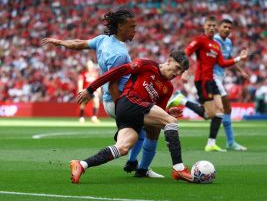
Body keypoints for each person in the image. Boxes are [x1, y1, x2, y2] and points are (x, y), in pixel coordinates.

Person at [41, 10, 162, 178]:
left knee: (144, 129)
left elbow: (78, 43)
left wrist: (60, 42)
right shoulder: (118, 54)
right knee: (151, 129)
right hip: (119, 99)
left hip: (114, 100)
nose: (135, 30)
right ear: (120, 26)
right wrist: (123, 112)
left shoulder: (103, 40)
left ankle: (136, 166)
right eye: (131, 26)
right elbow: (113, 84)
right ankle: (140, 168)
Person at [70, 50, 192, 184]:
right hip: (129, 102)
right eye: (177, 68)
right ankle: (178, 168)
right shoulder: (146, 65)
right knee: (171, 122)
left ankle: (81, 164)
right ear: (169, 60)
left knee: (122, 148)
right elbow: (116, 72)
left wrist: (168, 113)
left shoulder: (168, 88)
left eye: (181, 72)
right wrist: (90, 89)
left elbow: (159, 114)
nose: (177, 74)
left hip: (133, 113)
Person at [168, 16, 248, 152]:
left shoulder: (216, 45)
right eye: (209, 25)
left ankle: (211, 143)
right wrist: (185, 71)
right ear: (205, 26)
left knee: (220, 111)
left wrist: (239, 58)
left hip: (211, 81)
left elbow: (222, 63)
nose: (211, 28)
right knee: (209, 115)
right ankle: (182, 100)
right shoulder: (200, 40)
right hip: (202, 80)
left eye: (213, 26)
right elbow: (186, 52)